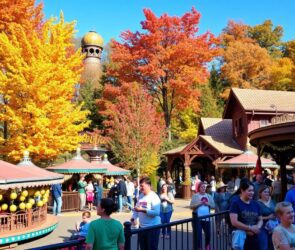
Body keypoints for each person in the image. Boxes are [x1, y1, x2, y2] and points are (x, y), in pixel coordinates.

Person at [230, 180, 263, 250]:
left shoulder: (256, 204)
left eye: (253, 191)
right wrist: (250, 228)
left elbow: (260, 219)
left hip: (255, 239)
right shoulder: (235, 203)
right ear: (242, 190)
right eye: (249, 190)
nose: (252, 193)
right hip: (241, 239)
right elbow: (234, 222)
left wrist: (257, 227)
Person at [131, 177, 161, 250]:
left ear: (148, 185)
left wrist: (142, 210)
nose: (140, 188)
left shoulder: (154, 197)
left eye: (142, 186)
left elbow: (156, 212)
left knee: (151, 248)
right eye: (140, 186)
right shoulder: (141, 195)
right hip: (142, 228)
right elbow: (136, 209)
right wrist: (133, 218)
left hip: (152, 228)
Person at [190, 182, 215, 250]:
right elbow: (191, 207)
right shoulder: (195, 196)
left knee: (208, 234)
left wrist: (208, 204)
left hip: (207, 218)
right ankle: (198, 247)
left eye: (204, 187)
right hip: (197, 218)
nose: (203, 188)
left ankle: (207, 245)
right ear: (199, 188)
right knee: (198, 234)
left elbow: (213, 206)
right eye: (202, 187)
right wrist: (199, 204)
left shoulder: (209, 196)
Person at [257, 185, 276, 250]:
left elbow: (277, 211)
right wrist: (268, 217)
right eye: (265, 192)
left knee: (273, 245)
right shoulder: (257, 203)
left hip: (273, 226)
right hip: (263, 226)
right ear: (260, 193)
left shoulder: (272, 202)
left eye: (268, 192)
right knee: (264, 245)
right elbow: (256, 217)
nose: (267, 193)